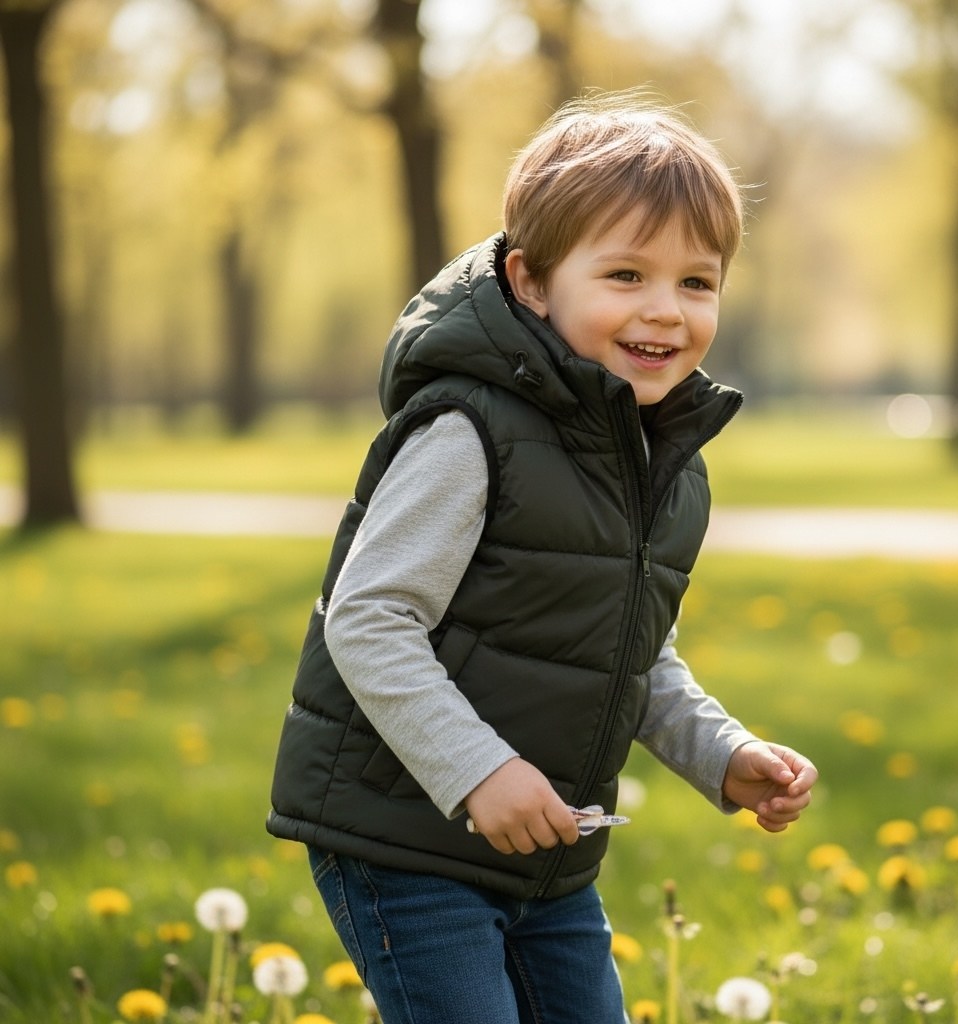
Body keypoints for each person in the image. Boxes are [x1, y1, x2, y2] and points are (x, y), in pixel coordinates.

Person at [267, 90, 818, 1023]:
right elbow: (368, 617)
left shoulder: (660, 462)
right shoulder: (470, 431)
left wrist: (722, 752)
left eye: (697, 282)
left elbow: (631, 653)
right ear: (531, 282)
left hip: (546, 852)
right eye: (626, 274)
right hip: (408, 842)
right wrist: (477, 772)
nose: (665, 311)